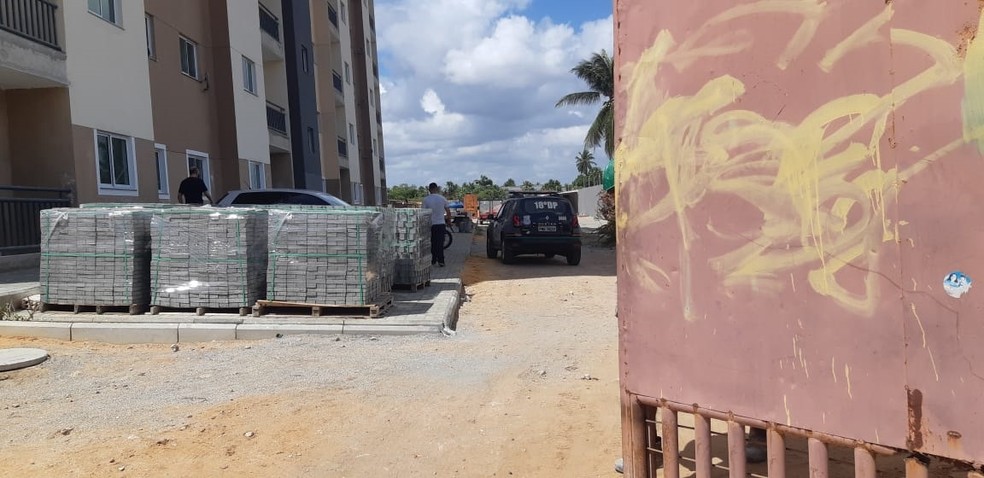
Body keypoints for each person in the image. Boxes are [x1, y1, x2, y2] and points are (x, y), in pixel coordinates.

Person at [421, 182, 451, 267]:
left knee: (432, 243)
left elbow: (423, 213)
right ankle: (441, 261)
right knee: (440, 243)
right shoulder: (442, 198)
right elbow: (448, 211)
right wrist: (449, 221)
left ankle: (433, 259)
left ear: (429, 189)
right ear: (437, 189)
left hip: (430, 225)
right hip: (441, 224)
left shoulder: (426, 199)